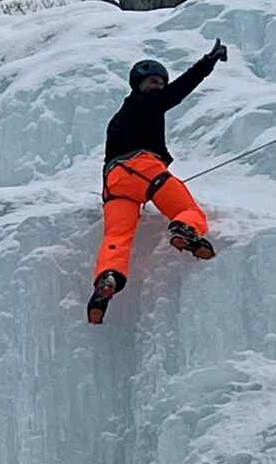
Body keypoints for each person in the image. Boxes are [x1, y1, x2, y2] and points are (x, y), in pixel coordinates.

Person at [88, 39, 228, 324]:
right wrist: (207, 62)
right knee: (188, 211)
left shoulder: (120, 116)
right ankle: (183, 228)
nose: (158, 86)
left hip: (114, 183)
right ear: (138, 85)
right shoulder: (149, 103)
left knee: (117, 236)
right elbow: (180, 90)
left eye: (160, 82)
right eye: (153, 81)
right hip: (145, 169)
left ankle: (109, 278)